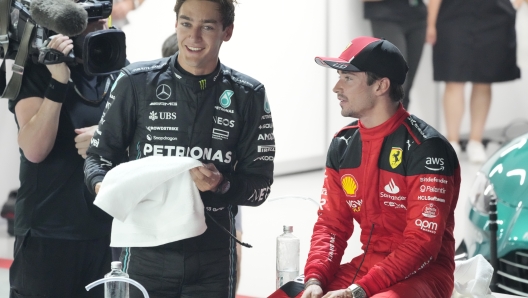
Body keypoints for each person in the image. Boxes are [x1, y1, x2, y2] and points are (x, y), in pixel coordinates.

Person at [83, 0, 275, 297]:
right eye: (186, 23)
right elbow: (98, 159)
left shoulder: (248, 95)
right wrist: (105, 188)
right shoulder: (135, 82)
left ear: (228, 31)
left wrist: (221, 184)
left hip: (213, 258)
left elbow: (260, 186)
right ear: (175, 24)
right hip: (145, 251)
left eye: (207, 26)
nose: (194, 37)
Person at [269, 36, 460, 298]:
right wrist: (315, 279)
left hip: (424, 274)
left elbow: (422, 245)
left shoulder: (427, 148)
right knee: (286, 295)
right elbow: (331, 225)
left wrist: (358, 292)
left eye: (348, 78)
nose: (336, 87)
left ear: (381, 85)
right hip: (368, 268)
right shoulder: (343, 143)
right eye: (338, 77)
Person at [7, 19, 117, 297]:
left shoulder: (116, 67)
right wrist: (58, 81)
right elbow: (34, 150)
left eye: (100, 21)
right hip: (48, 231)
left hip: (103, 232)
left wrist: (105, 138)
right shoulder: (38, 70)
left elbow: (142, 142)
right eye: (86, 24)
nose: (96, 29)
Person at [426, 0, 521, 163]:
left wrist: (516, 4)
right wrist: (431, 23)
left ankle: (475, 142)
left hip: (494, 16)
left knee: (484, 80)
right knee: (453, 79)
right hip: (453, 14)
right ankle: (452, 142)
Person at [363, 0, 427, 110]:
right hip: (387, 17)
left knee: (406, 88)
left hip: (417, 17)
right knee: (397, 83)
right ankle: (389, 125)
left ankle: (401, 124)